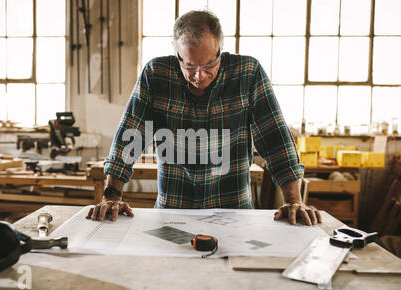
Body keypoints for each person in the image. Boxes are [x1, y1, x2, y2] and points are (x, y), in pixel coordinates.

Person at [86, 10, 321, 226]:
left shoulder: (247, 73)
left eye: (209, 64)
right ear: (176, 53)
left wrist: (294, 200)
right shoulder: (156, 74)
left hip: (233, 212)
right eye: (189, 66)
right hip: (173, 212)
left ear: (220, 48)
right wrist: (112, 196)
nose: (199, 75)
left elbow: (276, 140)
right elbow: (130, 136)